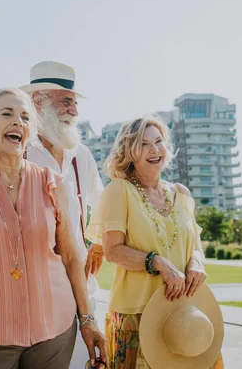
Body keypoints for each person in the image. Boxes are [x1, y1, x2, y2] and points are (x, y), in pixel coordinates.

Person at [0, 61, 106, 368]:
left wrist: (96, 242)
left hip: (78, 296)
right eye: (65, 101)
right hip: (6, 315)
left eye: (74, 102)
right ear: (38, 103)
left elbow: (102, 203)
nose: (73, 109)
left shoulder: (80, 155)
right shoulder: (7, 154)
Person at [86, 116, 225, 368]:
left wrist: (196, 262)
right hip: (136, 313)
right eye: (144, 144)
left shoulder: (181, 193)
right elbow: (113, 250)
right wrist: (158, 263)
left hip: (185, 314)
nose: (155, 150)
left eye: (159, 142)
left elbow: (195, 244)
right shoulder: (119, 190)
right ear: (129, 151)